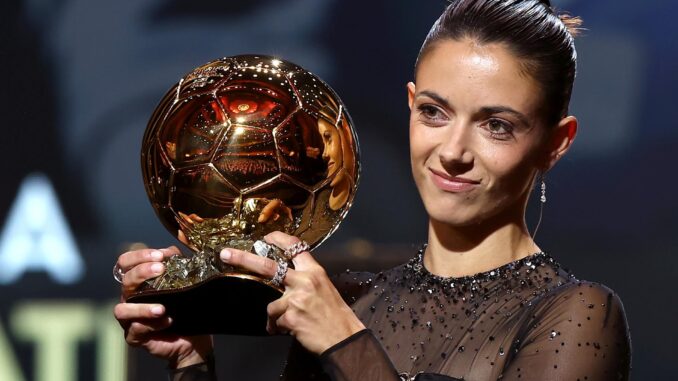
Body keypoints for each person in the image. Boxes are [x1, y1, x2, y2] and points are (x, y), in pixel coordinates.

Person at [113, 0, 632, 379]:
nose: (453, 150)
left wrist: (343, 341)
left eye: (496, 125)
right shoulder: (352, 299)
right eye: (434, 112)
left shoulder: (576, 315)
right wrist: (192, 362)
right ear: (409, 105)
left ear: (556, 143)